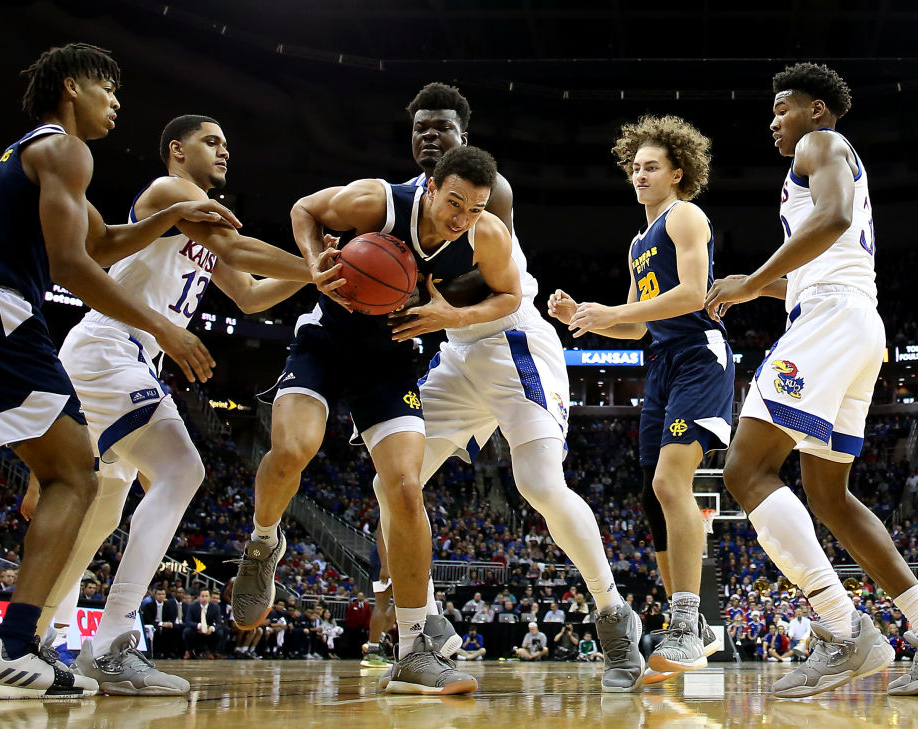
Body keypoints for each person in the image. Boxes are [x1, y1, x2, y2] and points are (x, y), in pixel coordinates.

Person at [0, 43, 234, 701]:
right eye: (105, 87)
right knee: (77, 472)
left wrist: (169, 219)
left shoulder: (39, 153)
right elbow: (70, 267)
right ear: (69, 87)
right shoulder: (66, 148)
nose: (116, 100)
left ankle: (30, 639)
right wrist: (163, 325)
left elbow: (104, 242)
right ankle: (17, 646)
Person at [28, 113, 308, 695]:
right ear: (177, 152)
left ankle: (28, 638)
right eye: (212, 141)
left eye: (228, 142)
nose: (225, 150)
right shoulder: (170, 193)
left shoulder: (202, 220)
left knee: (102, 509)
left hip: (116, 357)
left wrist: (317, 279)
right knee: (181, 471)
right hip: (110, 347)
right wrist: (323, 264)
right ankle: (113, 641)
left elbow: (252, 295)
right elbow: (237, 246)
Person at [379, 81, 644, 692]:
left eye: (441, 127)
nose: (429, 136)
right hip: (457, 352)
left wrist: (418, 297)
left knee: (539, 483)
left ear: (463, 138)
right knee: (392, 479)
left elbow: (489, 285)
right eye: (420, 126)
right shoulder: (403, 202)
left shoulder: (485, 189)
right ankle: (428, 625)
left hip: (511, 342)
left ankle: (613, 615)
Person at [238, 144, 520, 695]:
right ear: (431, 187)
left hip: (391, 359)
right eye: (454, 203)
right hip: (326, 343)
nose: (461, 219)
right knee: (293, 451)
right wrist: (313, 259)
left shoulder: (486, 236)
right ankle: (263, 542)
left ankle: (414, 650)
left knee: (406, 490)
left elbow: (509, 295)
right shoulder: (376, 202)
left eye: (475, 209)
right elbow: (303, 209)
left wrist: (454, 315)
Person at [706, 62, 918, 698]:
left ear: (818, 110)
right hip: (854, 321)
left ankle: (841, 629)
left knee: (745, 472)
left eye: (785, 108)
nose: (775, 121)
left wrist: (749, 281)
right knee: (828, 495)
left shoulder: (820, 145)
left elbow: (832, 219)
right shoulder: (827, 159)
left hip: (832, 319)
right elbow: (818, 256)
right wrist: (752, 291)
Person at [549, 114, 731, 683]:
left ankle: (687, 620)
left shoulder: (687, 216)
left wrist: (617, 313)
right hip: (661, 367)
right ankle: (688, 626)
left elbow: (695, 293)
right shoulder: (636, 242)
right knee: (653, 497)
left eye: (652, 167)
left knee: (669, 483)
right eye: (635, 168)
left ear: (678, 172)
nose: (640, 175)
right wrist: (586, 316)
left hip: (699, 358)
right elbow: (634, 329)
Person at [362, 527, 395, 667]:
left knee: (401, 604)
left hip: (399, 553)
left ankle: (378, 640)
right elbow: (382, 530)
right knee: (382, 603)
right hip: (386, 555)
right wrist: (385, 564)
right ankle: (373, 650)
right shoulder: (390, 505)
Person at [142, 587, 182, 659]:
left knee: (174, 629)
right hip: (154, 625)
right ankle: (156, 653)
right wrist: (161, 624)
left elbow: (171, 617)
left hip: (165, 625)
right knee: (158, 630)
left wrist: (169, 623)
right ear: (155, 595)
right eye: (159, 594)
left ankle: (170, 653)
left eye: (163, 594)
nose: (161, 596)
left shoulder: (168, 605)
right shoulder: (149, 605)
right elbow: (148, 619)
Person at [182, 588, 223, 658]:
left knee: (219, 633)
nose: (204, 598)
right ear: (198, 597)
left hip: (209, 630)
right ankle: (189, 651)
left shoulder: (215, 607)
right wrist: (199, 626)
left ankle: (212, 652)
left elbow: (219, 623)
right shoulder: (192, 606)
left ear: (210, 597)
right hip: (196, 630)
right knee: (186, 631)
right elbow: (188, 621)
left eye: (206, 596)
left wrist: (212, 628)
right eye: (202, 596)